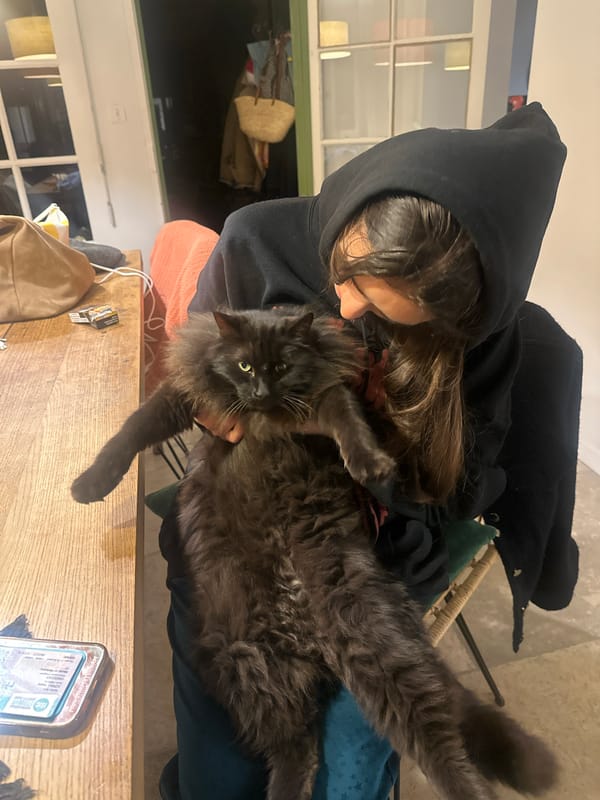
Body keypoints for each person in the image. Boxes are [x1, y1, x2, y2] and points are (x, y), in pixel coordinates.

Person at [158, 102, 578, 800]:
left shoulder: (495, 346)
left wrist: (343, 434)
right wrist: (221, 412)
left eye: (382, 311)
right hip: (240, 548)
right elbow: (200, 398)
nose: (346, 308)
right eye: (347, 275)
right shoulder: (254, 241)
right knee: (221, 764)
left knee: (351, 767)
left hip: (367, 560)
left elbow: (455, 492)